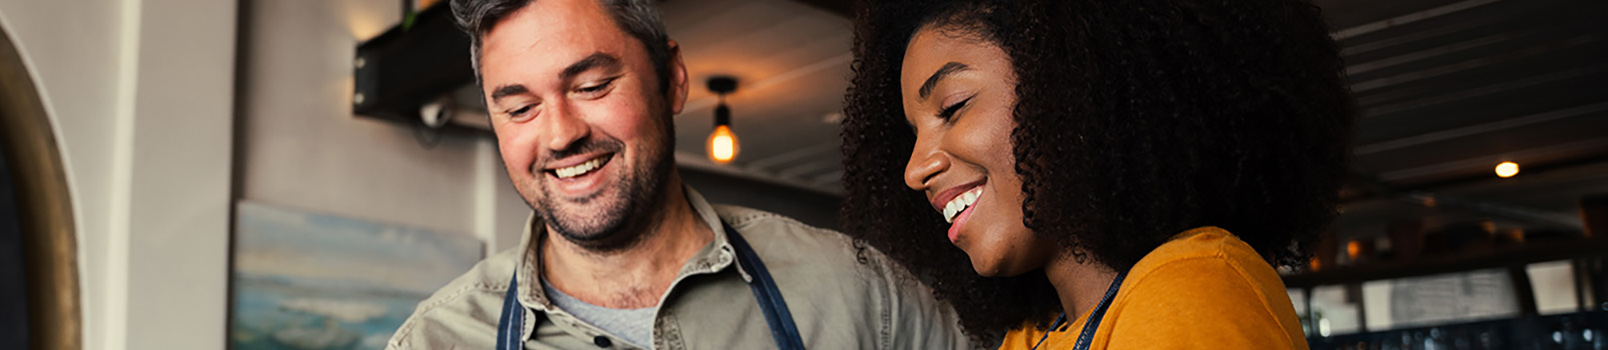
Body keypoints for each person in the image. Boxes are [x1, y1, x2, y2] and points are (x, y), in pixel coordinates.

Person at [385, 0, 974, 349]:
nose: (561, 133)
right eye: (519, 109)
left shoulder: (860, 297)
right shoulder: (439, 340)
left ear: (672, 76)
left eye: (591, 87)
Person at [839, 0, 1354, 349]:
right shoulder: (1034, 334)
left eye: (952, 107)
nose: (914, 169)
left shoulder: (1189, 289)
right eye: (912, 134)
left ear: (1076, 85)